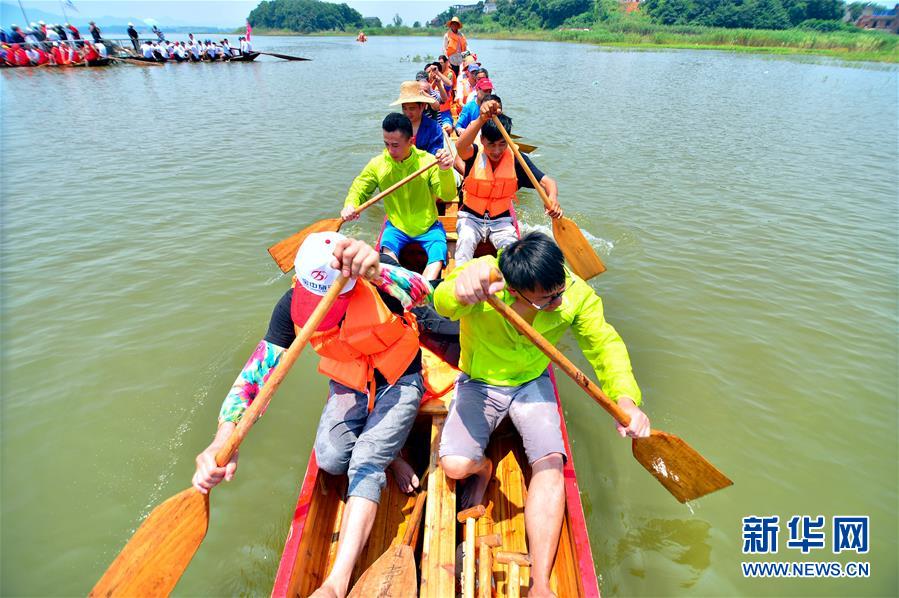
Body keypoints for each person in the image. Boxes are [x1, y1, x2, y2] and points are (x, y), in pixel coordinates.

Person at [193, 234, 431, 598]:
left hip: (398, 378)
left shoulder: (374, 282)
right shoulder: (291, 305)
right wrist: (224, 436)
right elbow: (255, 376)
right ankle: (392, 451)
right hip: (349, 382)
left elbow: (423, 291)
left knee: (365, 462)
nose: (318, 309)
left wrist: (379, 270)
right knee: (333, 460)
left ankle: (336, 582)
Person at [434, 232, 651, 598]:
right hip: (480, 381)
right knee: (455, 466)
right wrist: (456, 290)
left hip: (533, 382)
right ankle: (484, 467)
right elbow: (441, 302)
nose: (560, 300)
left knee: (550, 463)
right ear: (515, 292)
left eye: (560, 289)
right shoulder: (486, 277)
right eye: (548, 299)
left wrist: (626, 399)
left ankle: (541, 583)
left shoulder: (573, 293)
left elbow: (604, 344)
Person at [341, 113, 456, 281]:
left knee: (438, 255)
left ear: (411, 141)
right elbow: (360, 187)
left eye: (395, 145)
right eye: (386, 144)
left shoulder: (428, 162)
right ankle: (406, 284)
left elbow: (448, 194)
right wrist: (350, 204)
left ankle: (422, 291)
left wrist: (445, 171)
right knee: (387, 253)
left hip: (428, 227)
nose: (390, 150)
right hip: (396, 227)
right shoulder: (378, 164)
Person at [453, 100, 562, 264]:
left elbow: (548, 182)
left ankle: (510, 286)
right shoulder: (474, 153)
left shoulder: (517, 160)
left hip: (501, 220)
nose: (497, 151)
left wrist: (552, 199)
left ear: (508, 140)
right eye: (491, 145)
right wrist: (481, 119)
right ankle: (461, 285)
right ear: (482, 140)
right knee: (465, 243)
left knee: (511, 252)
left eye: (502, 143)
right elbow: (460, 146)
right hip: (471, 217)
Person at [390, 81, 444, 157]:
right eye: (404, 108)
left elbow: (434, 153)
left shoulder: (434, 128)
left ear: (422, 106)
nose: (408, 113)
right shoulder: (396, 127)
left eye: (412, 109)